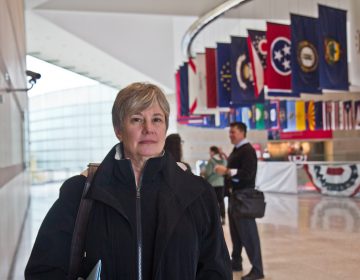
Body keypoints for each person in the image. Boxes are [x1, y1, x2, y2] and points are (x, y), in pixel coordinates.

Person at [25, 82, 231, 280]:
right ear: (118, 129)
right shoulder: (80, 192)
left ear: (165, 128)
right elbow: (44, 270)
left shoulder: (197, 192)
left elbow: (215, 270)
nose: (148, 128)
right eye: (136, 119)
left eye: (157, 119)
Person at [214, 122, 264, 280]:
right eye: (229, 132)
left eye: (233, 132)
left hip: (244, 198)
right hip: (235, 197)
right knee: (236, 234)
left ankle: (257, 269)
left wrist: (227, 171)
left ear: (242, 132)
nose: (230, 135)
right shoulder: (237, 149)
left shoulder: (248, 150)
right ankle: (236, 262)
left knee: (249, 235)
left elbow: (248, 173)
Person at [203, 146, 227, 225]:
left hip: (212, 184)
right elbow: (225, 170)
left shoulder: (211, 161)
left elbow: (207, 173)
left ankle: (214, 219)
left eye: (210, 151)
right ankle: (223, 218)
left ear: (213, 152)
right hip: (221, 183)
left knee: (212, 202)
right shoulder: (223, 160)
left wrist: (204, 174)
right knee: (221, 201)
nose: (209, 153)